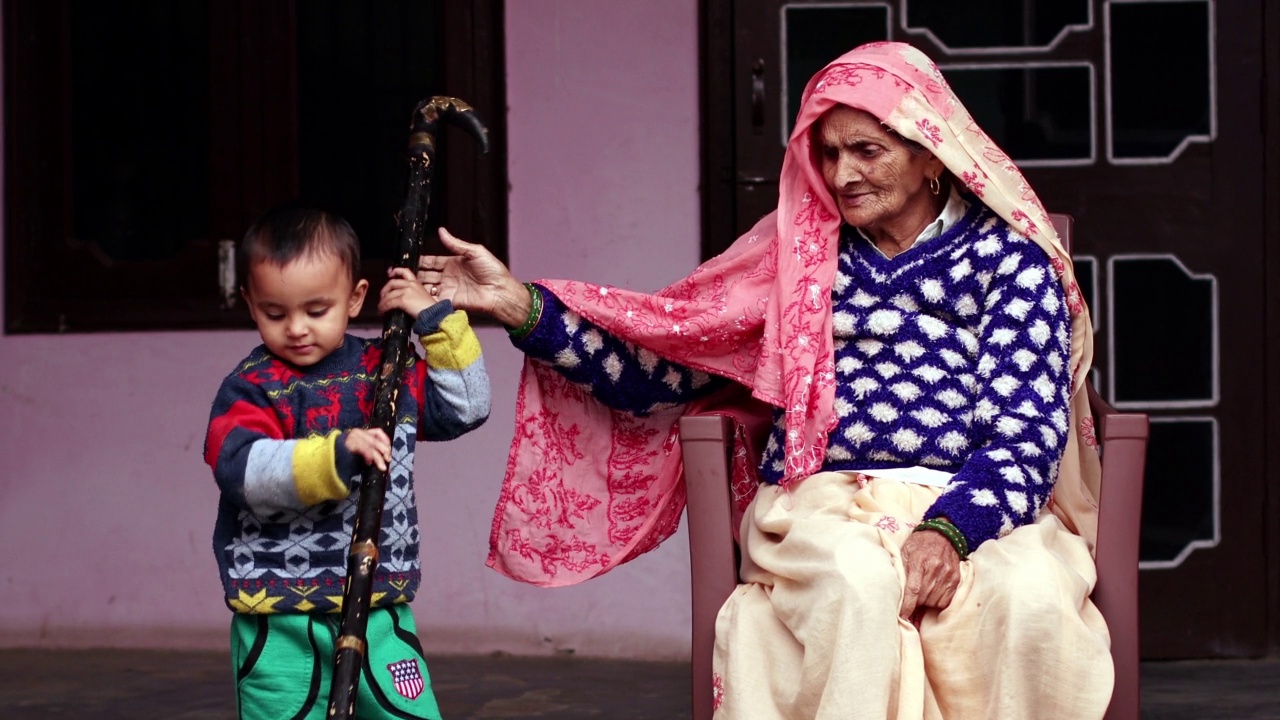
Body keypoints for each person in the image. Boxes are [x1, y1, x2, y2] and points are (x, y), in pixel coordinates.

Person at [420, 41, 1109, 719]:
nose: (842, 175)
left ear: (931, 153)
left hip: (978, 504)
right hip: (826, 504)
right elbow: (658, 370)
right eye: (829, 153)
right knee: (858, 582)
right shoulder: (800, 259)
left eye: (867, 150)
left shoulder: (1011, 263)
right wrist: (520, 306)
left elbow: (1022, 439)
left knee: (1031, 598)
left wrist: (948, 533)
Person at [203, 203, 491, 720]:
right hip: (278, 612)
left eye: (316, 310)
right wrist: (334, 455)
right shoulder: (250, 388)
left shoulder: (386, 369)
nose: (296, 328)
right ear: (249, 303)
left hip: (379, 605)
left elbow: (466, 407)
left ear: (355, 297)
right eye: (275, 312)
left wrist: (434, 321)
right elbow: (241, 470)